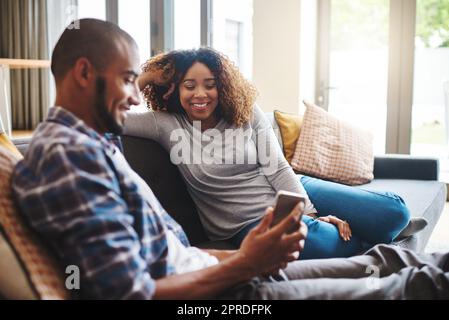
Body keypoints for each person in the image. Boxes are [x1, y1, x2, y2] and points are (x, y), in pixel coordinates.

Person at [11, 18, 448, 301]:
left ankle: (363, 234)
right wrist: (245, 261)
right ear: (85, 73)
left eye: (209, 84)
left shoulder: (95, 143)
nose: (131, 94)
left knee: (392, 259)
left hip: (227, 255)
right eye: (126, 80)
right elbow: (130, 291)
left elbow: (275, 171)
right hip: (222, 281)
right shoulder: (73, 156)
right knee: (410, 284)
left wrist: (290, 228)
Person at [124, 48, 413, 259]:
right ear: (173, 90)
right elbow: (106, 115)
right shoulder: (164, 125)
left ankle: (358, 230)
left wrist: (309, 212)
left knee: (395, 212)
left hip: (293, 191)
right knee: (326, 245)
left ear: (222, 87)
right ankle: (367, 238)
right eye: (190, 86)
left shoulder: (245, 113)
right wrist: (147, 75)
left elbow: (277, 168)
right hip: (247, 223)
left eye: (210, 85)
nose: (200, 94)